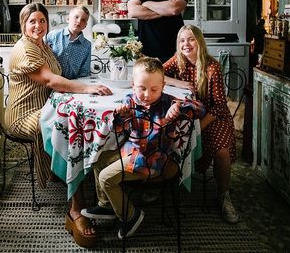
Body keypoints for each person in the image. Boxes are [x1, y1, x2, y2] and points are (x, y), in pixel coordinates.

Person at [4, 3, 112, 247]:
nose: (38, 26)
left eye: (42, 21)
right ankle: (76, 208)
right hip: (25, 113)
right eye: (32, 21)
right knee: (68, 132)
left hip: (47, 107)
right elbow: (51, 80)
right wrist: (86, 88)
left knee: (78, 124)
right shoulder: (25, 49)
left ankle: (77, 174)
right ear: (23, 23)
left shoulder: (43, 44)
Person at [81, 57, 205, 239]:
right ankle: (106, 204)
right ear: (133, 85)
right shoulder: (130, 100)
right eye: (142, 88)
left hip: (153, 161)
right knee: (97, 158)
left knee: (106, 178)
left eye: (154, 89)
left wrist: (179, 105)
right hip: (131, 152)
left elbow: (199, 108)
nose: (147, 94)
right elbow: (117, 128)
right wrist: (120, 115)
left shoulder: (167, 102)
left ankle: (131, 215)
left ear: (162, 86)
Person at [163, 24, 239, 224]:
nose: (186, 44)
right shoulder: (177, 61)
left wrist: (198, 128)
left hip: (214, 118)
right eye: (182, 40)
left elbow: (221, 106)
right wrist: (178, 83)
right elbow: (156, 73)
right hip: (188, 116)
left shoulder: (211, 67)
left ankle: (224, 196)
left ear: (199, 42)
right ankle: (161, 183)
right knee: (161, 135)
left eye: (191, 39)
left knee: (221, 150)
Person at [46, 6, 91, 79]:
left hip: (72, 84)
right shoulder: (53, 35)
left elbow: (84, 71)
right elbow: (42, 55)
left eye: (83, 20)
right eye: (76, 17)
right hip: (51, 81)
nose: (79, 21)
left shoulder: (87, 45)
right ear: (68, 19)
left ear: (85, 25)